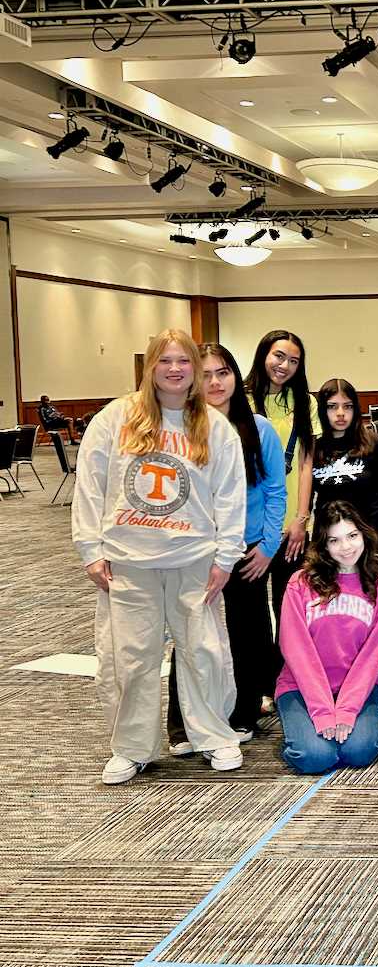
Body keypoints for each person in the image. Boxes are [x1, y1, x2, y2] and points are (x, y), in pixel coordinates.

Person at [72, 329, 245, 784]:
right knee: (130, 659)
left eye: (183, 361)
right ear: (149, 367)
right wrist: (90, 549)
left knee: (203, 653)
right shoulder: (116, 419)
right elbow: (89, 487)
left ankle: (213, 735)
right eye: (164, 361)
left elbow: (230, 496)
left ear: (194, 369)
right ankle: (132, 747)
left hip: (194, 560)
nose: (174, 369)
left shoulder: (214, 425)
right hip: (129, 560)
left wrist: (226, 557)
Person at [168, 345, 286, 750]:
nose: (215, 383)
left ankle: (243, 712)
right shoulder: (180, 430)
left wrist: (269, 546)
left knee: (247, 633)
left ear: (237, 377)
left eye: (223, 373)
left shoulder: (258, 428)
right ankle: (184, 721)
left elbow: (275, 491)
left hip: (247, 550)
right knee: (190, 632)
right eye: (205, 375)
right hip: (195, 549)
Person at [275, 501, 378, 774]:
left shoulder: (377, 587)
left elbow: (372, 656)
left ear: (364, 535)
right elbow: (296, 649)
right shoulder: (300, 583)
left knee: (360, 750)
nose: (346, 547)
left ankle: (337, 727)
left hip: (356, 688)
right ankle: (301, 732)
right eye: (334, 540)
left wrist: (347, 709)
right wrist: (323, 710)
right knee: (315, 757)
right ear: (323, 545)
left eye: (352, 536)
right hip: (303, 688)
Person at [244, 330, 320, 711]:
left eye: (293, 360)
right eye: (278, 356)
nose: (284, 366)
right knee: (253, 610)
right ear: (263, 356)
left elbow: (306, 463)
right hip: (254, 524)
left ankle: (285, 680)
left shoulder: (305, 403)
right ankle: (258, 683)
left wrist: (301, 518)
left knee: (289, 605)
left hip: (291, 522)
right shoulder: (240, 401)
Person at [312, 378, 378, 559]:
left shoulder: (373, 442)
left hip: (371, 536)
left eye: (347, 406)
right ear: (322, 409)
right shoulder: (313, 446)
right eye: (332, 406)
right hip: (330, 539)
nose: (340, 413)